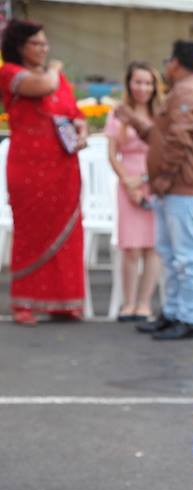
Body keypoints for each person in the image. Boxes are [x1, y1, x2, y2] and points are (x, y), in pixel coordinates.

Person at [117, 39, 193, 341]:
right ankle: (173, 313)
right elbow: (162, 138)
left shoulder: (189, 91)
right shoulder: (184, 90)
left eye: (168, 62)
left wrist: (161, 179)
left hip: (182, 185)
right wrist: (134, 119)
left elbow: (178, 143)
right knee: (170, 253)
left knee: (184, 256)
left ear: (176, 63)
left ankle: (188, 318)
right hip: (175, 185)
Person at [0, 19, 88, 326]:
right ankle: (24, 303)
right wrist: (56, 67)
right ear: (19, 47)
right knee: (31, 233)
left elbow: (74, 112)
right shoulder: (11, 74)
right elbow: (45, 86)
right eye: (36, 44)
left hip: (63, 166)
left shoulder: (57, 77)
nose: (43, 49)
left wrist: (81, 129)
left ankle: (64, 302)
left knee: (67, 233)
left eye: (45, 43)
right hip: (28, 168)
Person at [104, 62, 163, 322]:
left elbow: (165, 153)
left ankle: (144, 303)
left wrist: (144, 179)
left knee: (152, 247)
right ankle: (128, 303)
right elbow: (112, 153)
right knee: (131, 248)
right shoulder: (117, 113)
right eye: (138, 82)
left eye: (148, 82)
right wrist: (127, 181)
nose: (143, 87)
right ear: (129, 83)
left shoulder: (160, 113)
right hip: (127, 182)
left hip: (155, 182)